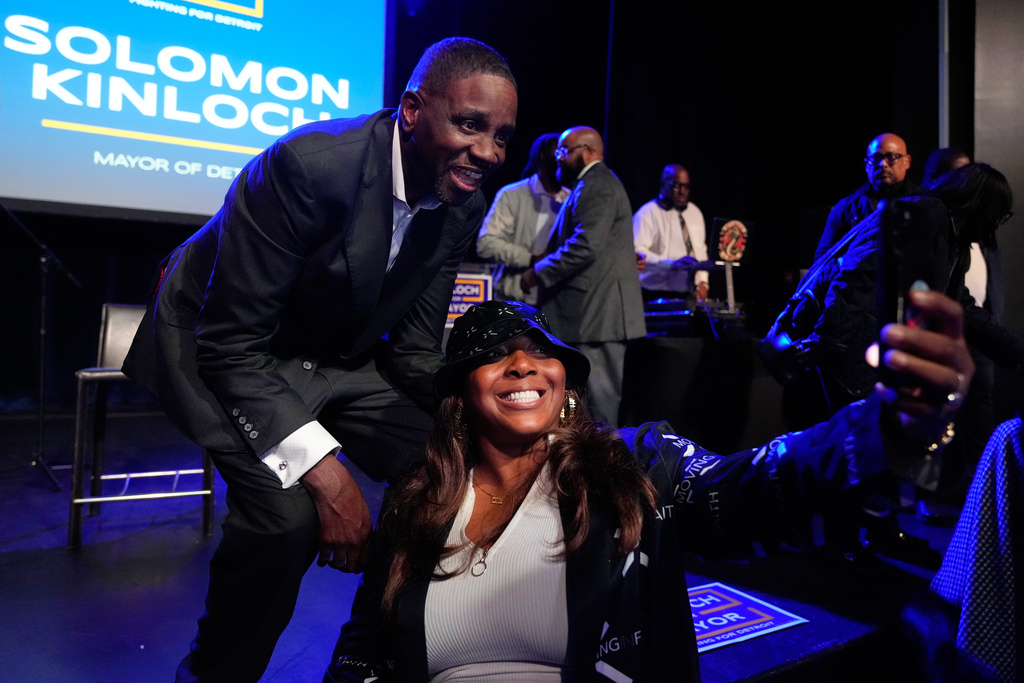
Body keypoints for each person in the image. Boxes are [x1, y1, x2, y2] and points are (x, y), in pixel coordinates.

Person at [121, 37, 518, 682]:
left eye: (501, 136)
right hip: (222, 344)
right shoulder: (308, 166)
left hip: (331, 352)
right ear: (412, 110)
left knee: (454, 462)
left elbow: (415, 351)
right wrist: (326, 474)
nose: (489, 153)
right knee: (287, 522)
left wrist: (494, 408)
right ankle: (214, 675)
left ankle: (367, 652)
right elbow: (231, 345)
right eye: (470, 125)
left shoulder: (461, 203)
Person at [325, 294, 974, 682]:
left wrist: (885, 428)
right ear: (459, 397)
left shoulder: (633, 466)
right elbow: (364, 647)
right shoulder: (419, 501)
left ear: (564, 382)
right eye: (496, 354)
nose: (522, 363)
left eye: (541, 351)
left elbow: (750, 488)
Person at [519, 126, 645, 424]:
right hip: (593, 315)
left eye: (564, 151)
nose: (558, 158)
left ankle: (605, 456)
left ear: (587, 151)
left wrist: (538, 271)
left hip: (598, 316)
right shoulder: (591, 184)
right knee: (590, 406)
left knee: (600, 406)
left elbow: (586, 245)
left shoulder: (597, 184)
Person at [476, 133, 569, 303]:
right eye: (557, 154)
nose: (562, 160)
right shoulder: (513, 194)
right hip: (514, 300)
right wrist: (531, 259)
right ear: (542, 158)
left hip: (556, 303)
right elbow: (486, 244)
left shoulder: (571, 199)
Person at [812, 133, 923, 263]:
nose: (882, 164)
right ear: (866, 164)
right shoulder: (847, 207)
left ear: (907, 161)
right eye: (876, 158)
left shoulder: (923, 203)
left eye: (891, 157)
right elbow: (821, 261)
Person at [633, 164, 710, 302]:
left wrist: (703, 281)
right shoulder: (647, 214)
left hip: (687, 294)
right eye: (676, 186)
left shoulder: (695, 213)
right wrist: (671, 264)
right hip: (654, 293)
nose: (682, 192)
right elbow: (637, 253)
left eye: (686, 187)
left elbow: (700, 251)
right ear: (663, 185)